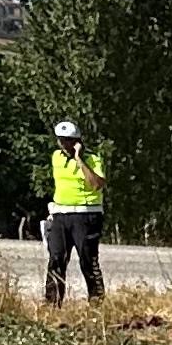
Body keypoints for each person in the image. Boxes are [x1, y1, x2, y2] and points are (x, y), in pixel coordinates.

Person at [41, 121, 106, 304]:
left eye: (68, 140)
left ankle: (96, 301)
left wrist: (79, 159)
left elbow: (96, 184)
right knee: (56, 258)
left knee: (87, 259)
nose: (64, 145)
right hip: (61, 214)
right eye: (61, 140)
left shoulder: (93, 159)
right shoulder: (56, 157)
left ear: (77, 141)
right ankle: (52, 302)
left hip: (86, 214)